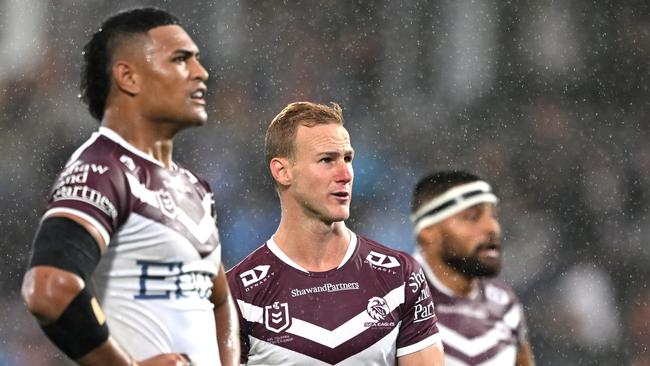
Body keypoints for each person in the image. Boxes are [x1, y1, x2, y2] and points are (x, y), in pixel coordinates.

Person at [21, 7, 239, 366]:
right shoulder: (102, 169)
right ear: (129, 77)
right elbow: (49, 289)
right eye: (181, 60)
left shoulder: (194, 187)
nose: (201, 73)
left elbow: (219, 300)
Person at [226, 102, 445, 365]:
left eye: (348, 159)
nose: (345, 174)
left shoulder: (399, 276)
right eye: (326, 160)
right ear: (282, 172)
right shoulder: (239, 292)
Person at [409, 170, 535, 366]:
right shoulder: (391, 303)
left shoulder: (505, 306)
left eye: (494, 215)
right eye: (472, 217)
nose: (492, 227)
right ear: (428, 234)